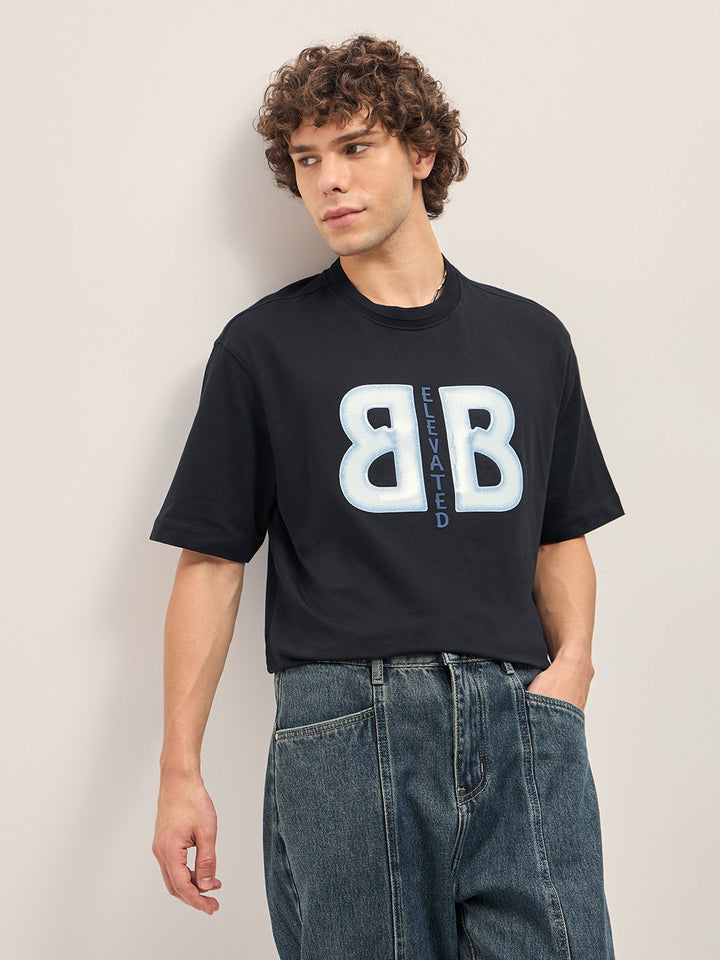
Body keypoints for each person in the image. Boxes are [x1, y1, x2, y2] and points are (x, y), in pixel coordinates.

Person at [150, 34, 624, 960]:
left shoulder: (531, 339)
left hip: (523, 718)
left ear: (421, 153)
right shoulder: (264, 347)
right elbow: (211, 561)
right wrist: (179, 773)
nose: (328, 179)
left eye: (355, 147)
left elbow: (561, 532)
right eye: (306, 159)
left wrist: (572, 671)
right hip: (346, 723)